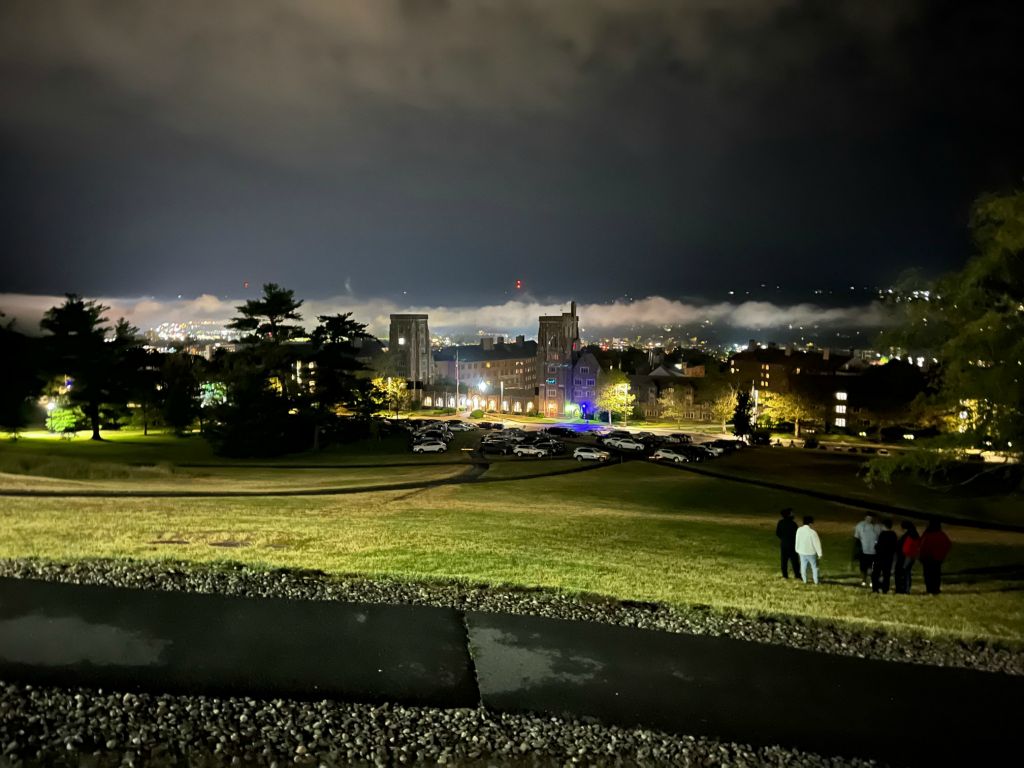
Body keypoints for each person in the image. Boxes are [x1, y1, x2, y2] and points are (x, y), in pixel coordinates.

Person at [919, 520, 952, 595]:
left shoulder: (927, 534)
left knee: (928, 574)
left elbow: (923, 546)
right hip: (937, 558)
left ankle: (930, 589)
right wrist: (942, 554)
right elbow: (948, 544)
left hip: (927, 557)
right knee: (936, 574)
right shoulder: (941, 535)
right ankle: (935, 589)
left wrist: (921, 555)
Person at [853, 513, 882, 587]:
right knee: (863, 568)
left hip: (874, 552)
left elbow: (880, 537)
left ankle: (872, 581)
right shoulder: (860, 525)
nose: (869, 520)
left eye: (871, 518)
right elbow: (856, 537)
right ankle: (863, 580)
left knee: (872, 568)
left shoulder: (877, 527)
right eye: (868, 518)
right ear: (865, 518)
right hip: (864, 551)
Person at [794, 515, 823, 585]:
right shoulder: (812, 532)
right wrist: (820, 554)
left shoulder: (799, 530)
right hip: (811, 552)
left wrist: (797, 549)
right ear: (810, 523)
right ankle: (816, 581)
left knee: (803, 566)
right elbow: (817, 543)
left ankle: (805, 580)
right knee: (814, 567)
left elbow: (797, 540)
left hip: (802, 552)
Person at [872, 519, 898, 593]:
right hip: (888, 558)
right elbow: (895, 547)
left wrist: (876, 547)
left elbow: (879, 547)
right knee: (886, 574)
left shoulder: (882, 534)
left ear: (884, 526)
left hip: (880, 558)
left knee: (876, 574)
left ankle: (875, 588)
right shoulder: (893, 535)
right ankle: (885, 589)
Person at [895, 520, 921, 594]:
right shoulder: (913, 534)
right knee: (906, 572)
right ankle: (905, 589)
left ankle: (904, 589)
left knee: (905, 572)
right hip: (909, 556)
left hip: (906, 556)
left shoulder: (910, 535)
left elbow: (907, 547)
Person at [775, 508, 800, 579]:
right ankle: (797, 574)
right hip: (792, 544)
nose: (793, 514)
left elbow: (777, 533)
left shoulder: (780, 522)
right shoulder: (793, 524)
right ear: (789, 515)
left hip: (784, 544)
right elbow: (796, 535)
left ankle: (785, 575)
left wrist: (783, 538)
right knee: (794, 560)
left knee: (784, 561)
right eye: (792, 513)